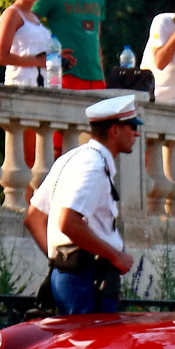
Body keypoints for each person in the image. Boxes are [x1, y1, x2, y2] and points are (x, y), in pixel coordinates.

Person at [24, 96, 142, 314]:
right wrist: (116, 256)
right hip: (88, 279)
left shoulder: (71, 158)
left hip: (69, 276)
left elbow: (33, 217)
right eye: (133, 126)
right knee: (94, 347)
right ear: (114, 130)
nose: (137, 133)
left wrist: (59, 259)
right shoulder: (95, 165)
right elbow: (68, 222)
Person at [0, 0, 53, 87]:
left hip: (41, 85)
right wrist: (38, 61)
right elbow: (0, 57)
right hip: (20, 86)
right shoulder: (12, 14)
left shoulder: (35, 18)